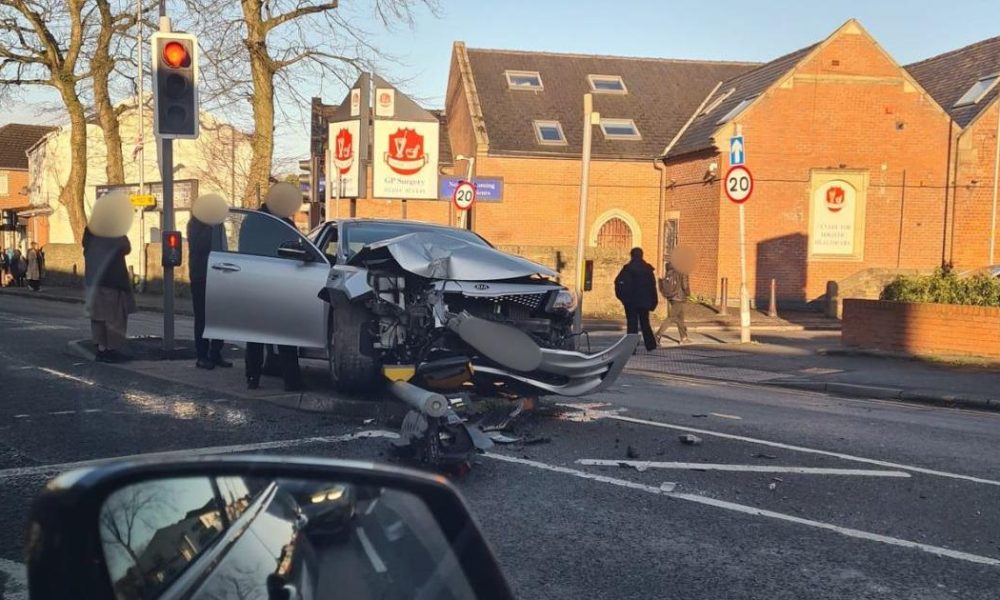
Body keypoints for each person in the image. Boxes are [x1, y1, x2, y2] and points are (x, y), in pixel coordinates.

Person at [243, 183, 304, 392]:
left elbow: (245, 250)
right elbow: (298, 251)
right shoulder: (285, 223)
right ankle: (292, 381)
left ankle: (253, 378)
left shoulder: (250, 220)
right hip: (280, 283)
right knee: (285, 335)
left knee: (256, 336)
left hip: (255, 283)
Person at [83, 192, 136, 363]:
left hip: (94, 280)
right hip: (111, 280)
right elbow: (125, 247)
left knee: (98, 316)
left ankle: (101, 348)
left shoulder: (90, 229)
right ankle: (111, 349)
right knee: (114, 317)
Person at [188, 194, 232, 370]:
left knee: (219, 315)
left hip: (219, 274)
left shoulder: (217, 225)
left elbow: (223, 246)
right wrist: (210, 227)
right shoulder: (196, 225)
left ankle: (216, 352)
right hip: (202, 275)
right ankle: (202, 355)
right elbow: (200, 246)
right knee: (203, 317)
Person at [614, 247, 658, 351]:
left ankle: (631, 348)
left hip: (631, 302)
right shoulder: (648, 269)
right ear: (642, 255)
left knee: (632, 324)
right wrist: (653, 301)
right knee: (645, 323)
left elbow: (618, 283)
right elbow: (653, 286)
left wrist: (623, 298)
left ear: (632, 255)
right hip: (644, 301)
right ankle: (651, 346)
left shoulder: (628, 268)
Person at [657, 260, 691, 344]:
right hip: (679, 297)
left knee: (680, 318)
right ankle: (657, 336)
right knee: (671, 318)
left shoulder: (670, 270)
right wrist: (688, 294)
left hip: (671, 296)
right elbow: (685, 285)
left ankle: (684, 337)